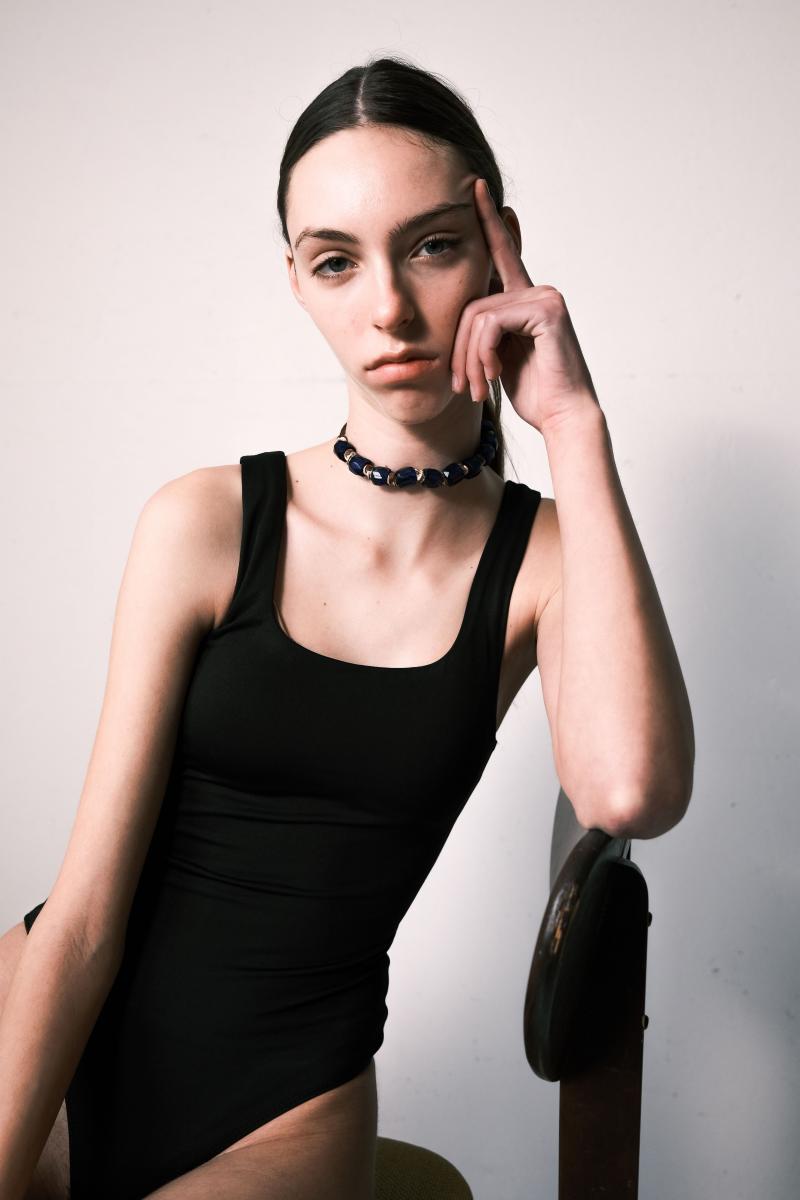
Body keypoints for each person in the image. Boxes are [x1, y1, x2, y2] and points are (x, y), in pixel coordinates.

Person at [0, 54, 695, 1200]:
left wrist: (573, 422)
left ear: (499, 249)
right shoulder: (204, 521)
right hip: (43, 1023)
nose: (387, 308)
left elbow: (630, 795)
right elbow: (80, 919)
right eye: (336, 260)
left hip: (280, 1120)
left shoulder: (545, 557)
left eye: (431, 246)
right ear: (297, 281)